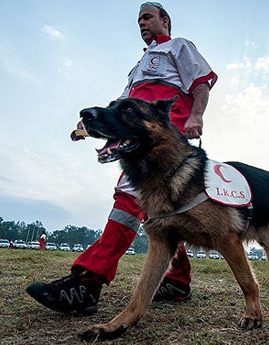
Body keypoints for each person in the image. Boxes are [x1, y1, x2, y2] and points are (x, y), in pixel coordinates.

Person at [27, 2, 217, 314]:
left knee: (130, 198)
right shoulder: (138, 67)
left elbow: (200, 85)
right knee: (159, 209)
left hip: (162, 141)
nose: (141, 23)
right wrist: (89, 127)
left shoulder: (179, 47)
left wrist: (196, 116)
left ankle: (88, 281)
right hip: (136, 140)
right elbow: (121, 111)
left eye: (147, 17)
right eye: (138, 19)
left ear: (164, 20)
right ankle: (178, 279)